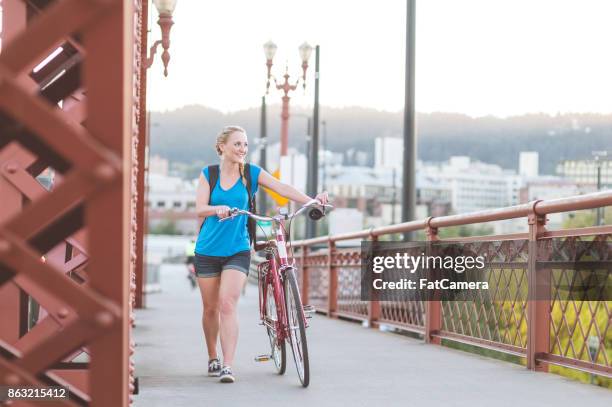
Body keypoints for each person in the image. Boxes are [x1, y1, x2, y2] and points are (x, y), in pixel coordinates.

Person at [195, 125, 328, 383]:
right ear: (222, 146)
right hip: (207, 249)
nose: (243, 149)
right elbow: (200, 208)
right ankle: (213, 355)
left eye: (245, 145)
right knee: (210, 309)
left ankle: (228, 366)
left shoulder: (251, 174)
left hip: (238, 248)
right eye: (237, 144)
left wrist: (311, 201)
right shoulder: (208, 174)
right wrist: (217, 208)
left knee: (227, 304)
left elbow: (282, 188)